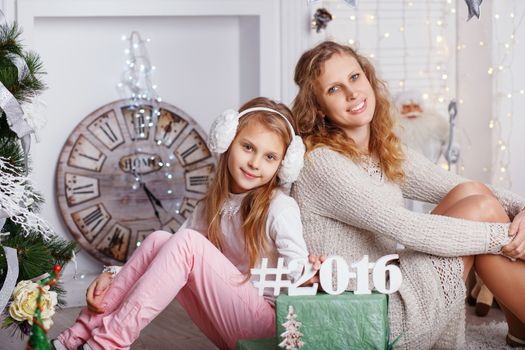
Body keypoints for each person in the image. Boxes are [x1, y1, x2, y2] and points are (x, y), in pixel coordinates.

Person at [291, 41, 525, 349]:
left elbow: (453, 184)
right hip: (374, 310)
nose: (351, 93)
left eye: (354, 77)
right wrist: (509, 240)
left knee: (472, 192)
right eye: (333, 89)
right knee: (480, 208)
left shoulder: (380, 149)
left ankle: (520, 330)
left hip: (392, 279)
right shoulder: (321, 162)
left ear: (368, 78)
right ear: (318, 106)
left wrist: (522, 209)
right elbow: (407, 229)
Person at [53, 97, 318, 350]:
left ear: (284, 165)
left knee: (188, 243)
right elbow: (164, 258)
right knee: (160, 240)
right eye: (248, 147)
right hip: (229, 322)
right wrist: (113, 275)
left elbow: (300, 273)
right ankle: (80, 334)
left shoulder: (279, 207)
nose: (254, 163)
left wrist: (316, 276)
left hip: (270, 331)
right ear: (227, 141)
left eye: (270, 157)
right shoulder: (213, 204)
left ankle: (110, 342)